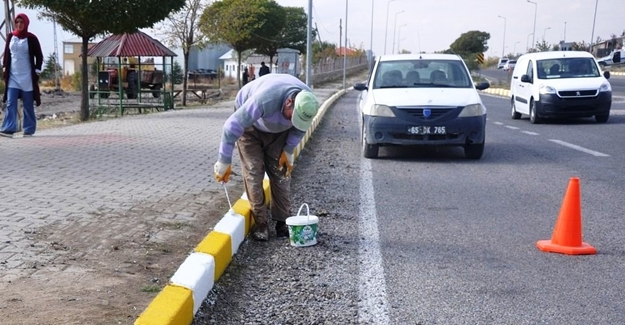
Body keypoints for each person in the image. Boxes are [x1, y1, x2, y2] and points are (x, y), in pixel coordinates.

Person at [214, 73, 319, 241]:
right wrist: (224, 160)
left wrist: (288, 150)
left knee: (281, 174)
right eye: (293, 117)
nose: (295, 122)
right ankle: (261, 223)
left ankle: (283, 222)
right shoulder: (266, 100)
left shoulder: (308, 105)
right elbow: (231, 127)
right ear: (288, 102)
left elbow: (300, 129)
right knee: (254, 171)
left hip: (278, 132)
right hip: (249, 127)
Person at [1, 13, 43, 138]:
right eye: (17, 22)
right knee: (10, 102)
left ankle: (29, 129)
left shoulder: (31, 38)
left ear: (26, 24)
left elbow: (39, 56)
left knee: (28, 104)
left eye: (21, 22)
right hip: (13, 76)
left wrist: (37, 71)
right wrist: (4, 68)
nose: (19, 24)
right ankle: (9, 128)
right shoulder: (10, 37)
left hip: (27, 77)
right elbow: (7, 55)